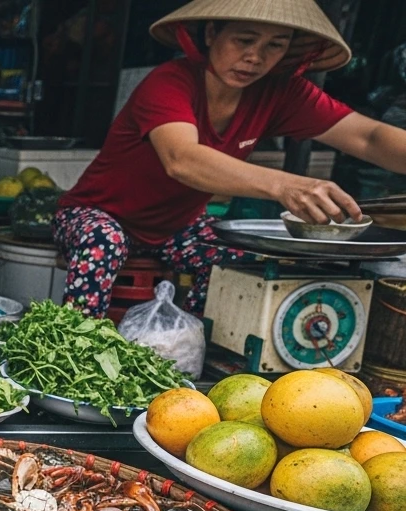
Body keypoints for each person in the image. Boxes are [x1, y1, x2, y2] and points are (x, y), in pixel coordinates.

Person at [56, 0, 406, 317]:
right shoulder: (169, 82)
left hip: (174, 227)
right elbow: (182, 159)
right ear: (211, 33)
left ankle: (187, 346)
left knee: (240, 260)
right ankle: (74, 350)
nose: (255, 57)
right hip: (96, 213)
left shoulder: (280, 93)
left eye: (275, 45)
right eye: (244, 40)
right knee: (106, 240)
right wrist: (284, 185)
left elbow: (368, 137)